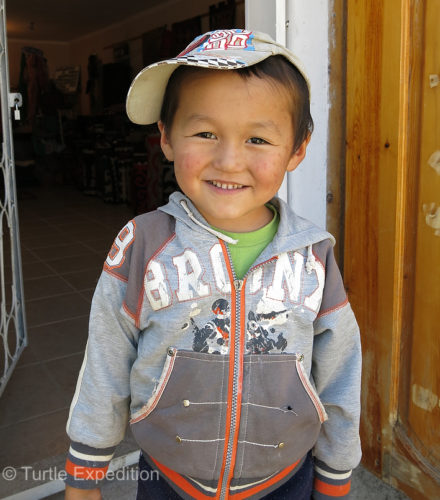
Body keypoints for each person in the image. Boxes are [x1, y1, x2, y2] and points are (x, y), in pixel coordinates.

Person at [64, 29, 361, 500]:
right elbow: (105, 359)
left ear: (298, 149)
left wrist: (336, 471)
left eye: (258, 139)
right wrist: (85, 471)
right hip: (168, 479)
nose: (229, 160)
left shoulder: (314, 255)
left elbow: (340, 372)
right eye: (205, 133)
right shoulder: (143, 244)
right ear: (164, 138)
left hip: (286, 480)